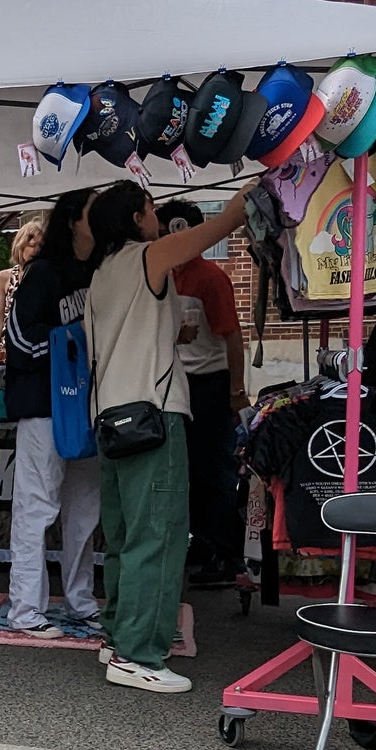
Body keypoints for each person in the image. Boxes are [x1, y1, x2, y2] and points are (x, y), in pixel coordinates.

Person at [84, 183, 247, 693]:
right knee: (159, 536)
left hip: (110, 414)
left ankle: (117, 639)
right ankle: (138, 654)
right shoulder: (148, 257)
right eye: (151, 209)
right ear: (137, 217)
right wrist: (252, 194)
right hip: (153, 414)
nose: (156, 216)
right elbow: (214, 229)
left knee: (127, 536)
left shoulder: (100, 274)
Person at [2, 188, 100, 637]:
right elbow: (18, 342)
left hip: (88, 406)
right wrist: (71, 339)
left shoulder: (98, 272)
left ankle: (80, 600)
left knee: (85, 509)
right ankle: (26, 609)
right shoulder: (41, 274)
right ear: (73, 222)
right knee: (37, 508)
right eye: (91, 214)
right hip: (44, 406)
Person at [155, 199, 248, 588]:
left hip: (209, 384)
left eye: (163, 232)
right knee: (188, 470)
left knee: (214, 470)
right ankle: (203, 543)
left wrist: (236, 390)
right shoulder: (165, 277)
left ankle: (226, 555)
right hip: (178, 384)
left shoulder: (211, 277)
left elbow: (232, 336)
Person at [0, 217, 44, 358]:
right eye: (32, 245)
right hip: (8, 353)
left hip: (39, 351)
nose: (37, 250)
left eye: (41, 246)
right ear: (20, 246)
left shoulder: (50, 278)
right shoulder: (4, 277)